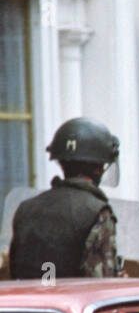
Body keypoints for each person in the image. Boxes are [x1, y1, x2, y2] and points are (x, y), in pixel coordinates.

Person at [9, 118, 122, 280]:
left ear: (62, 163)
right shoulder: (97, 212)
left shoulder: (26, 209)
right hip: (70, 304)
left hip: (27, 304)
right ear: (98, 168)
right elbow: (100, 286)